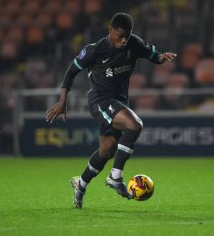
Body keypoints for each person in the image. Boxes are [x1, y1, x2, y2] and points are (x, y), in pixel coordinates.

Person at [45, 12, 176, 208]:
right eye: (120, 36)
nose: (124, 41)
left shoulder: (134, 43)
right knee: (135, 124)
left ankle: (80, 183)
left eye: (127, 36)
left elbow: (152, 55)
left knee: (106, 151)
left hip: (119, 102)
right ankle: (116, 177)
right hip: (100, 100)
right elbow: (71, 72)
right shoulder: (94, 50)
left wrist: (161, 57)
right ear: (110, 31)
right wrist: (63, 100)